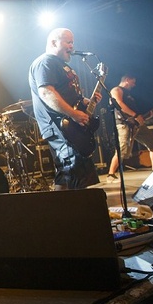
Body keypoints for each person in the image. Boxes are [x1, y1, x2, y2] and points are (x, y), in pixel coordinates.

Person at [28, 27, 102, 190]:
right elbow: (46, 92)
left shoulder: (61, 65)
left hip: (69, 124)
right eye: (68, 42)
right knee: (72, 170)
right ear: (54, 42)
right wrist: (73, 113)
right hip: (59, 126)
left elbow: (67, 94)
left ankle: (65, 205)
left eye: (72, 42)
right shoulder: (45, 62)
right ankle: (72, 206)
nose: (72, 46)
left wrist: (85, 101)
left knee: (68, 174)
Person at [106, 74, 153, 182]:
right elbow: (119, 104)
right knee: (122, 150)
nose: (134, 85)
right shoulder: (116, 90)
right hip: (124, 124)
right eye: (133, 82)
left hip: (136, 125)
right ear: (127, 80)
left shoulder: (128, 95)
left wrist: (145, 116)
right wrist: (135, 115)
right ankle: (111, 174)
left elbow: (134, 113)